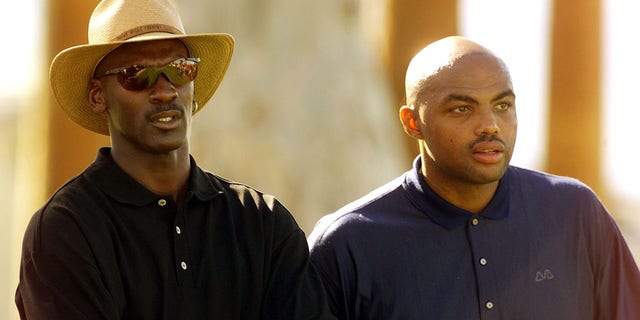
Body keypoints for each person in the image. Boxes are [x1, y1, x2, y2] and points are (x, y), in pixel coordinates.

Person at [15, 0, 335, 319]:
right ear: (98, 95)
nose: (165, 91)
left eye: (180, 69)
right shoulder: (66, 229)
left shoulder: (263, 223)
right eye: (137, 74)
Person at [308, 36, 640, 319]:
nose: (490, 125)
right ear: (412, 123)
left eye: (502, 105)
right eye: (462, 109)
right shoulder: (346, 244)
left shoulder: (574, 212)